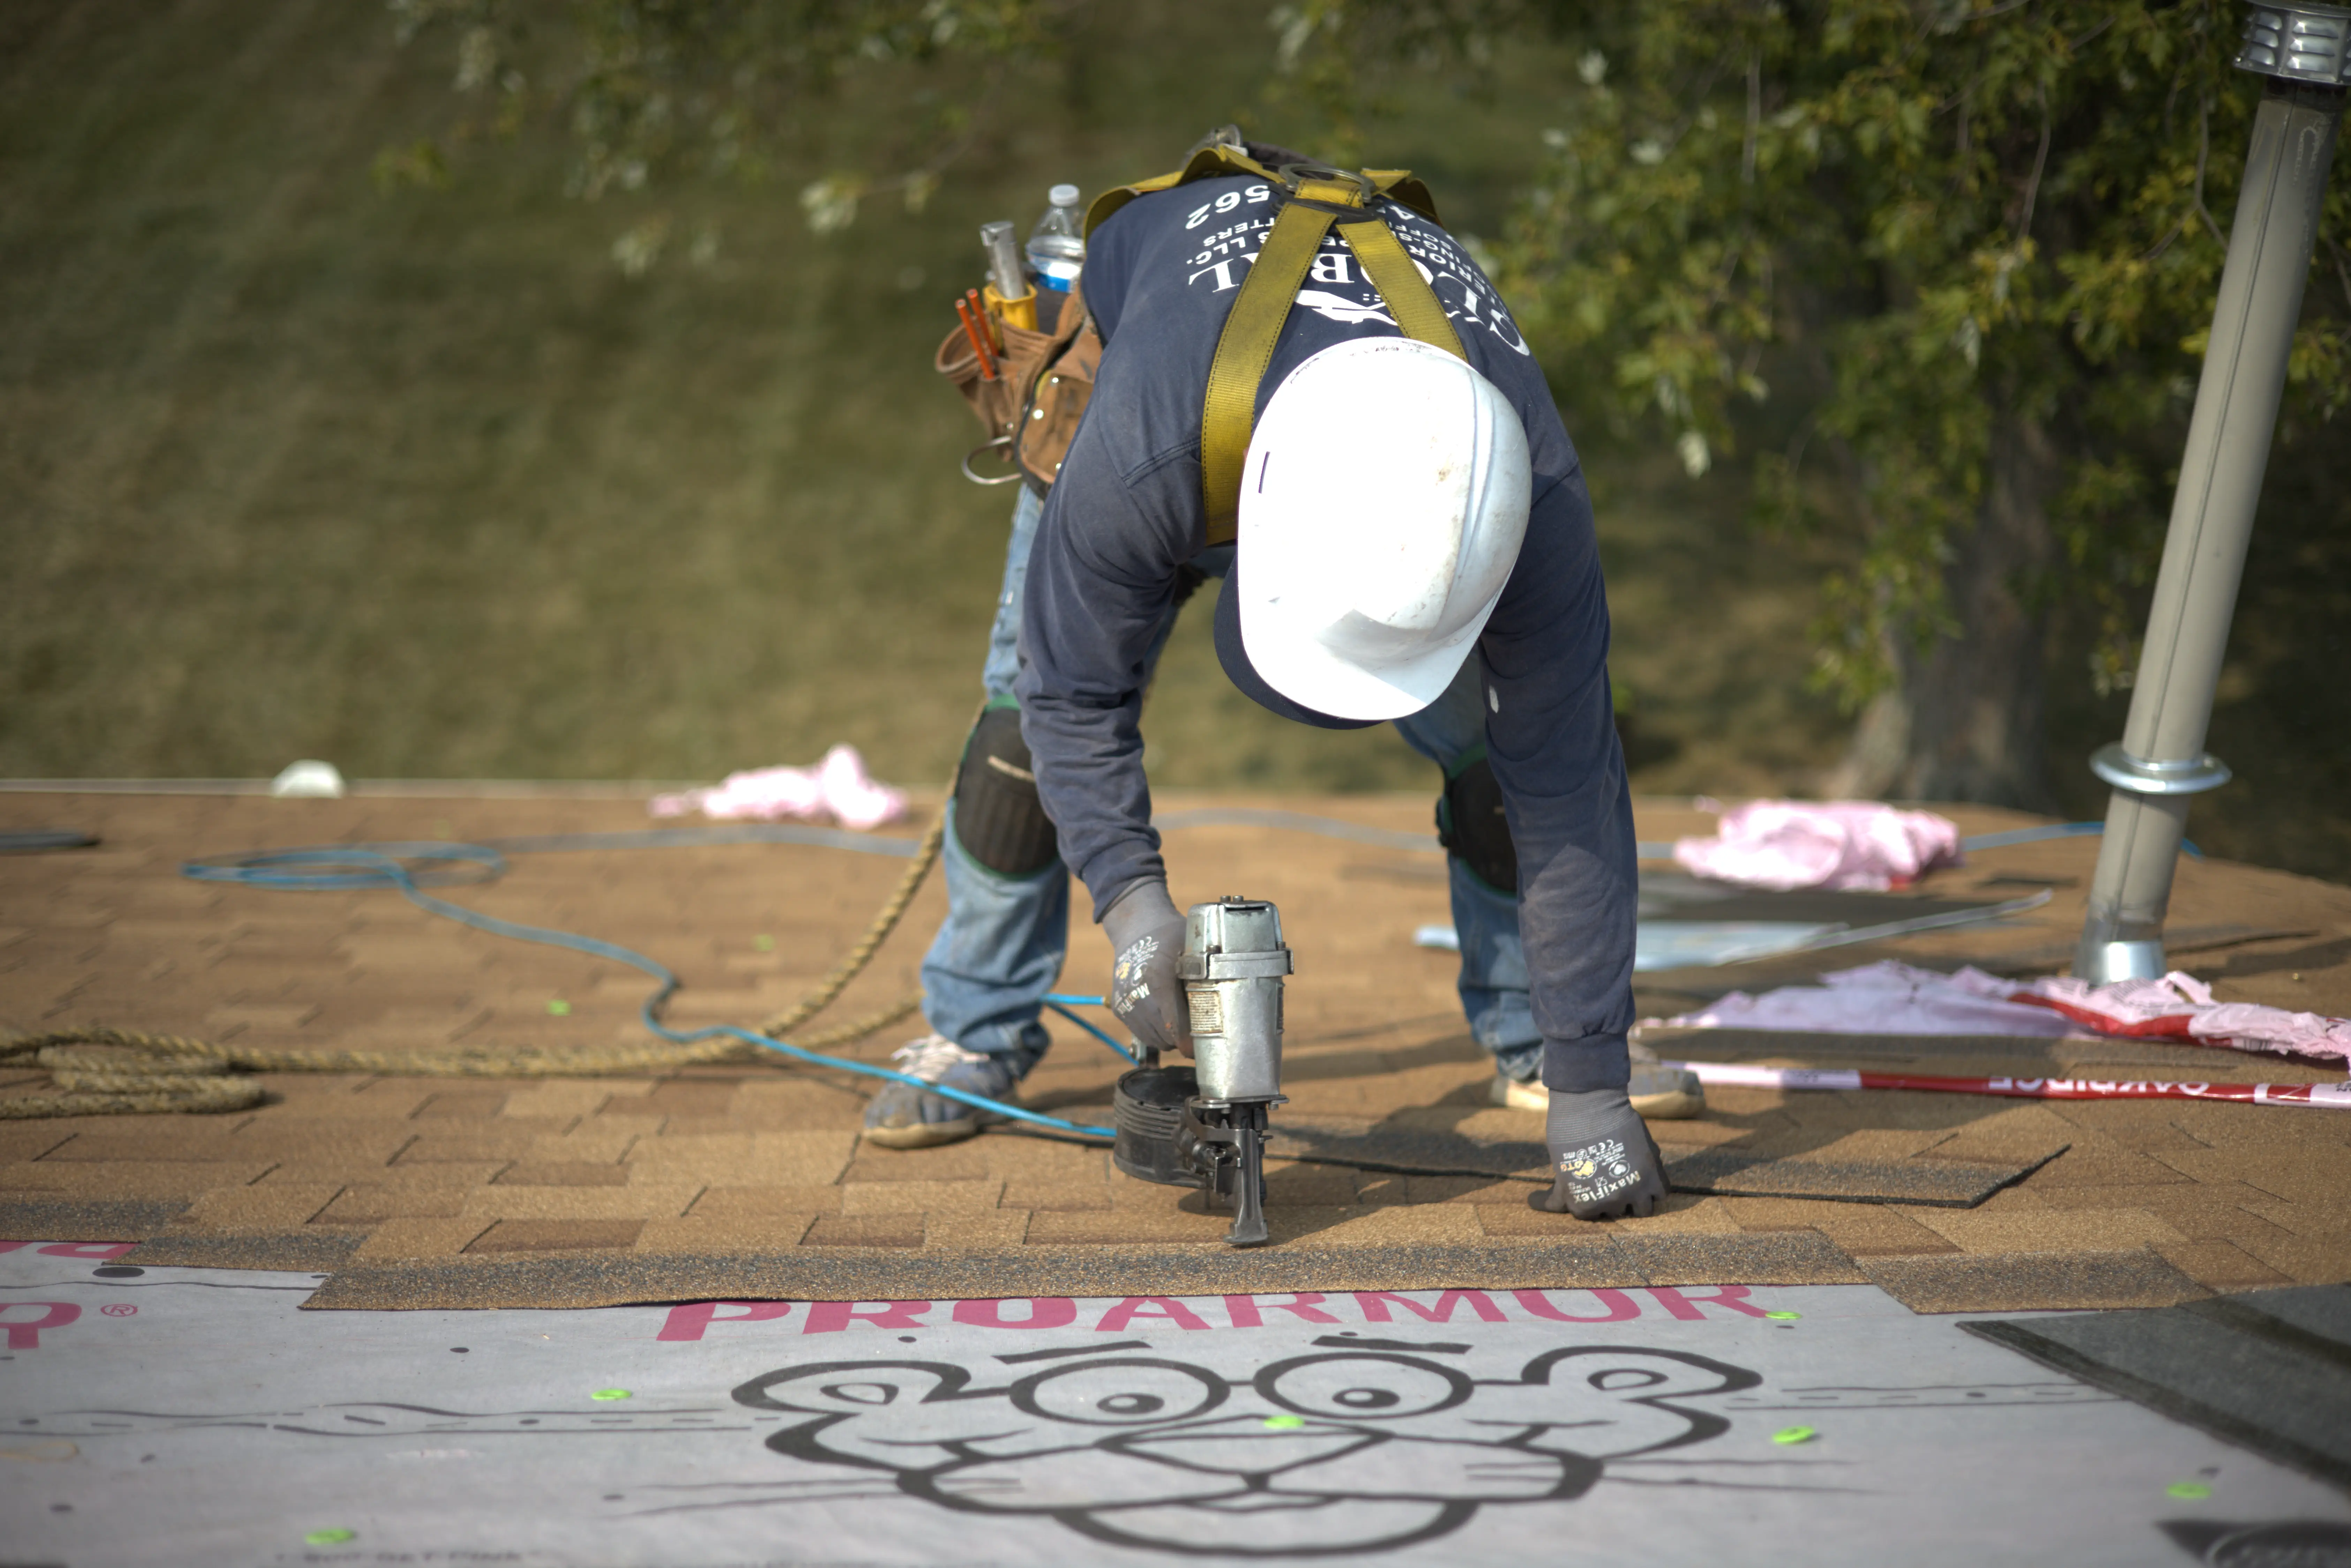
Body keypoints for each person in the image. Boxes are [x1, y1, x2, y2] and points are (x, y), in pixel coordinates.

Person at [865, 131, 1697, 1220]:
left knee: (1509, 752)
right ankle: (976, 1026)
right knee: (1022, 730)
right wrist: (1131, 906)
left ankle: (1538, 1042)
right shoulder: (1143, 454)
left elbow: (1572, 791)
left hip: (1336, 431)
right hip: (1146, 370)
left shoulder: (1529, 502)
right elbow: (1077, 697)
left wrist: (1593, 1091)